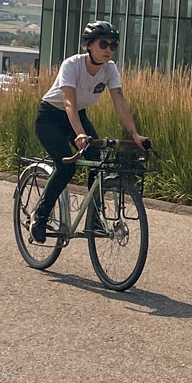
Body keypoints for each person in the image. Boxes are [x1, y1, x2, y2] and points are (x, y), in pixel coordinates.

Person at [30, 20, 148, 243]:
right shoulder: (72, 65)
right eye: (103, 44)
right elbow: (68, 103)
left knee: (98, 162)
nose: (108, 50)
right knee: (66, 167)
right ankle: (41, 216)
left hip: (78, 115)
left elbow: (119, 101)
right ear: (89, 45)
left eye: (113, 45)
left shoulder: (109, 69)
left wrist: (135, 135)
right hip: (51, 118)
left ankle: (94, 216)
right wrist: (80, 135)